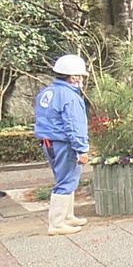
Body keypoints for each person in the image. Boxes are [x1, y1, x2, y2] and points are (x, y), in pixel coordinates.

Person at [33, 54, 91, 236]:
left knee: (64, 178)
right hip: (63, 143)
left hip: (48, 141)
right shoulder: (69, 96)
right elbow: (74, 124)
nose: (81, 80)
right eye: (80, 76)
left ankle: (67, 216)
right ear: (73, 77)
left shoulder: (47, 92)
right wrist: (82, 148)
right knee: (67, 180)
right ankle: (57, 223)